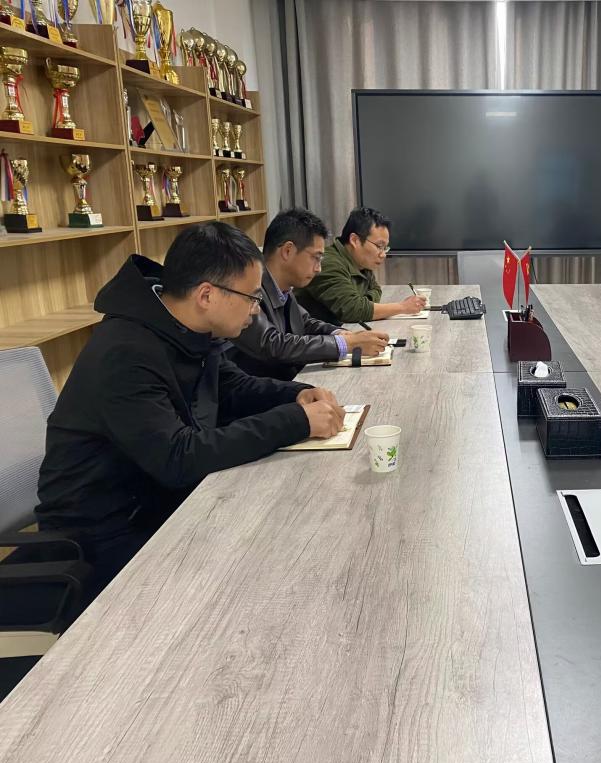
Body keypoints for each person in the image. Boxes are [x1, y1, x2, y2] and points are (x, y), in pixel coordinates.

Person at [34, 222, 346, 598]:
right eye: (251, 297)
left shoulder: (185, 328)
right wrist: (295, 421)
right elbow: (178, 457)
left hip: (160, 502)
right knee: (258, 577)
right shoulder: (125, 353)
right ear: (206, 295)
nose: (256, 310)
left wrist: (298, 395)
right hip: (102, 535)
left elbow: (232, 387)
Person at [228, 208, 389, 380]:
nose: (318, 268)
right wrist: (344, 344)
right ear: (287, 251)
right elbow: (272, 344)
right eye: (316, 257)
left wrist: (342, 334)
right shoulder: (250, 288)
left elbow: (305, 322)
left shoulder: (282, 287)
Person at [296, 206, 426, 324]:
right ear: (355, 240)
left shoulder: (361, 262)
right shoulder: (327, 262)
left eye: (385, 248)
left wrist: (363, 304)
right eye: (379, 246)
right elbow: (352, 310)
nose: (383, 255)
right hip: (314, 338)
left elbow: (376, 289)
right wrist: (402, 307)